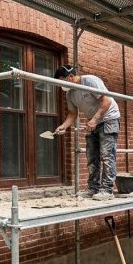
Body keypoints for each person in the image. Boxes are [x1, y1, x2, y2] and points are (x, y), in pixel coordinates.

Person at [54, 65, 120, 201]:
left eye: (62, 81)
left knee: (107, 155)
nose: (61, 86)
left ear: (71, 76)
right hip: (94, 121)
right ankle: (93, 188)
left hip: (109, 118)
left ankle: (107, 190)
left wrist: (94, 120)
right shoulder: (70, 93)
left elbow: (106, 101)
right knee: (91, 156)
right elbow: (73, 113)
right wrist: (64, 126)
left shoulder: (90, 81)